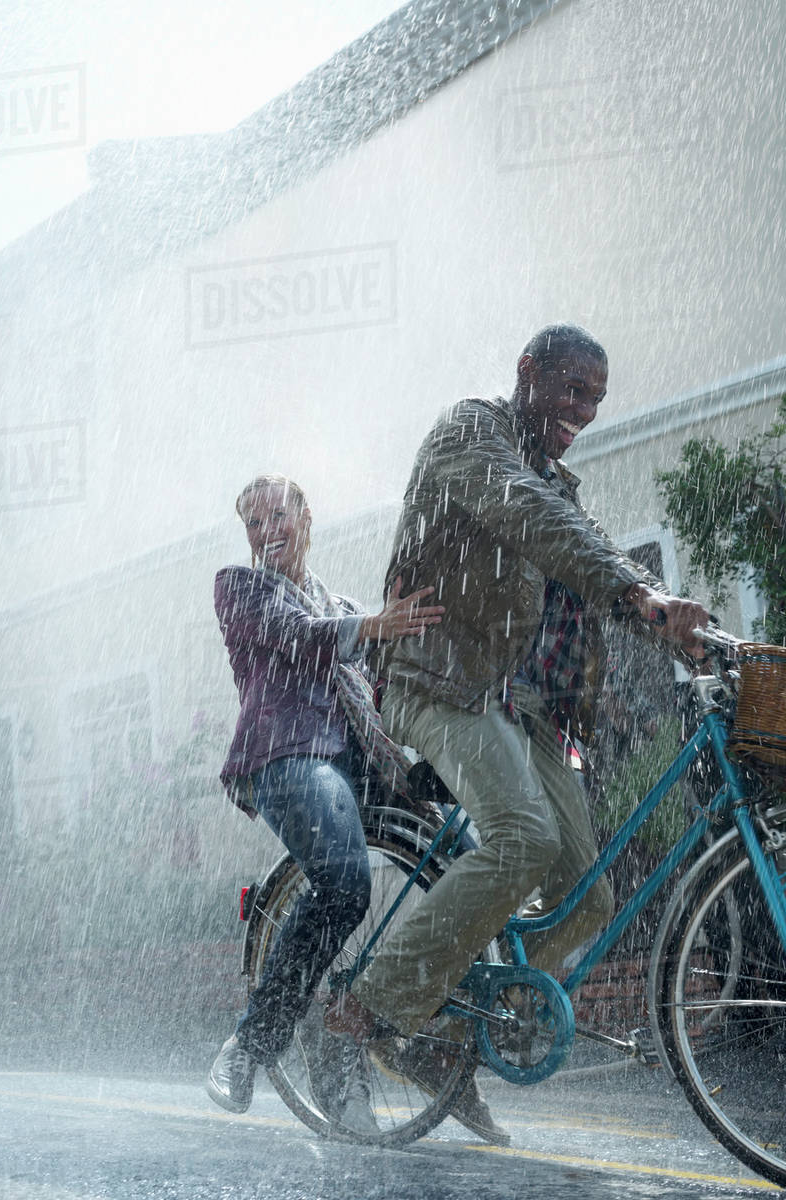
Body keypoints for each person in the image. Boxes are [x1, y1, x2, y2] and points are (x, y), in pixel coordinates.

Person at [326, 324, 709, 1043]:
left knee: (587, 897)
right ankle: (378, 1001)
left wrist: (672, 617)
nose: (584, 411)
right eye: (573, 389)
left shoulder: (552, 476)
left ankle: (455, 1037)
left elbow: (587, 547)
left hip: (512, 700)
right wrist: (636, 592)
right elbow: (533, 520)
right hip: (433, 680)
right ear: (527, 371)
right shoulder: (470, 433)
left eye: (596, 398)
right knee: (524, 838)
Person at [205, 473, 444, 1127]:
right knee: (344, 886)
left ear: (306, 516)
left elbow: (383, 674)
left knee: (464, 860)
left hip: (361, 765)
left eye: (277, 514)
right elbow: (302, 635)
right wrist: (375, 624)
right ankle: (249, 1048)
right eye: (254, 523)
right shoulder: (241, 587)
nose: (266, 531)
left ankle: (443, 1046)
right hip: (287, 758)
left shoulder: (334, 601)